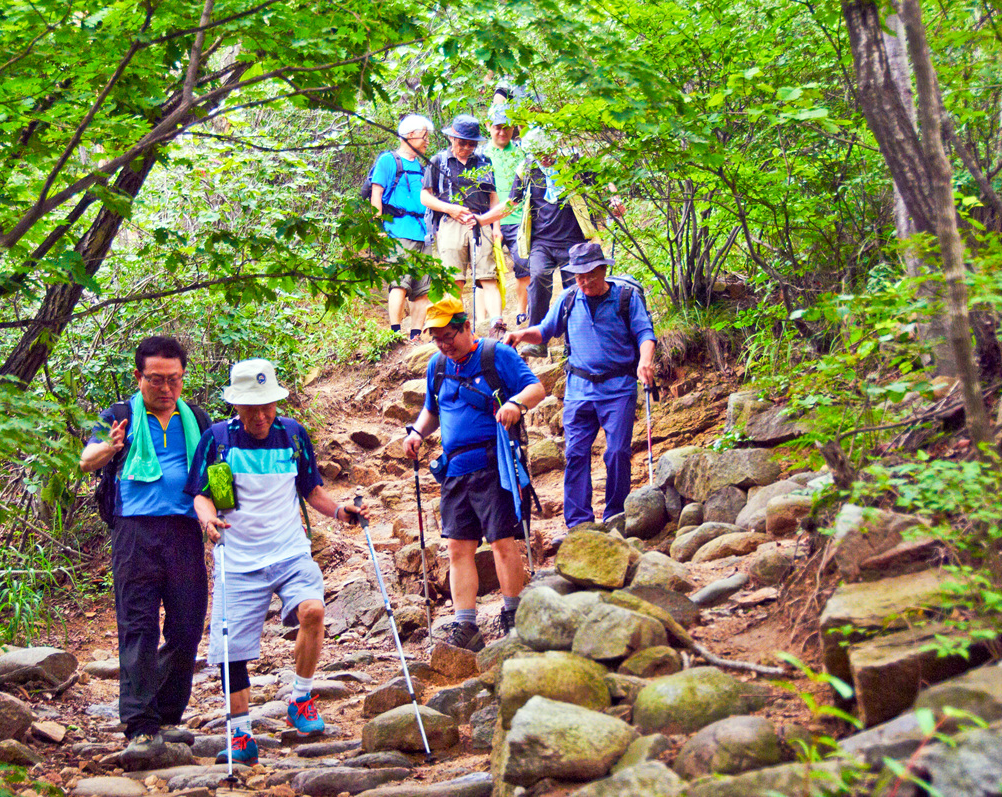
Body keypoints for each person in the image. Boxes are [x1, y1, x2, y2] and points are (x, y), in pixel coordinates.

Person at [186, 359, 369, 766]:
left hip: (289, 551)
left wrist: (341, 512)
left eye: (268, 406)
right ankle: (240, 734)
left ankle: (300, 699)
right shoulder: (218, 440)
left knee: (313, 610)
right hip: (238, 558)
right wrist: (208, 520)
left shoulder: (293, 435)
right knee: (232, 649)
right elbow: (201, 494)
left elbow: (312, 490)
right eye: (252, 408)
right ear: (236, 405)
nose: (261, 416)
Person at [78, 336, 212, 766]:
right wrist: (110, 446)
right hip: (134, 533)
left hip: (185, 531)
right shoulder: (118, 415)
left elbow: (215, 469)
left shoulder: (198, 418)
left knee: (187, 626)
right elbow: (86, 459)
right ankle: (139, 724)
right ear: (138, 377)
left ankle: (168, 715)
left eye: (174, 379)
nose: (166, 388)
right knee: (138, 626)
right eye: (156, 379)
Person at [403, 295, 545, 650]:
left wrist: (515, 403)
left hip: (494, 463)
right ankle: (466, 625)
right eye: (437, 339)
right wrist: (417, 432)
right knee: (457, 547)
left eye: (448, 336)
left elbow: (536, 388)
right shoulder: (437, 365)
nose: (443, 344)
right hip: (454, 469)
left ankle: (513, 615)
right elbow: (432, 410)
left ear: (467, 326)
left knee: (501, 540)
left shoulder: (496, 355)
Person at [505, 242, 655, 528]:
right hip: (579, 390)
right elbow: (544, 331)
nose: (584, 281)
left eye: (589, 275)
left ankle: (615, 516)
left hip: (619, 388)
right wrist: (520, 334)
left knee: (618, 453)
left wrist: (645, 361)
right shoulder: (569, 298)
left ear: (603, 270)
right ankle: (578, 524)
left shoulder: (626, 297)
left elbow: (645, 333)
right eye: (579, 276)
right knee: (575, 453)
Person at [479, 128, 624, 350]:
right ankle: (537, 341)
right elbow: (511, 203)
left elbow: (603, 180)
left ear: (555, 147)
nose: (544, 158)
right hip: (541, 242)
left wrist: (614, 199)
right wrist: (482, 220)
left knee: (576, 289)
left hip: (574, 241)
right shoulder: (527, 168)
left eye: (548, 152)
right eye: (539, 154)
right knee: (538, 279)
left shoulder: (573, 163)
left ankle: (575, 344)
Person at [421, 114, 505, 336]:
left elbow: (493, 196)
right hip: (450, 223)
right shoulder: (438, 161)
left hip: (481, 221)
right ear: (452, 138)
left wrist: (496, 227)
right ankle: (454, 328)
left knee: (488, 276)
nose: (467, 147)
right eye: (462, 142)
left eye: (471, 143)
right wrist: (450, 209)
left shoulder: (484, 161)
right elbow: (425, 196)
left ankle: (497, 326)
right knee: (454, 279)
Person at [371, 114, 435, 341]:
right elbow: (376, 194)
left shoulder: (421, 166)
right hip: (398, 230)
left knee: (422, 288)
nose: (427, 141)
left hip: (423, 232)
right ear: (410, 135)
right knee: (400, 283)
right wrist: (378, 228)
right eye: (424, 136)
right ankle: (395, 334)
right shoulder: (388, 161)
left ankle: (415, 336)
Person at [483, 105, 531, 327]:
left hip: (518, 220)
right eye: (497, 127)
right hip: (487, 219)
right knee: (486, 271)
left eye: (506, 127)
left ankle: (521, 311)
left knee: (523, 266)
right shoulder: (480, 155)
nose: (502, 132)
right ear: (488, 126)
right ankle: (488, 319)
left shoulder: (522, 152)